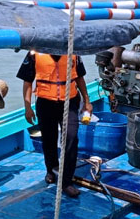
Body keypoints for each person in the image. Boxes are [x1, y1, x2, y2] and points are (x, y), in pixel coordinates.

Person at [17, 51, 93, 198]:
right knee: (49, 138)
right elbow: (27, 81)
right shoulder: (34, 53)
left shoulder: (74, 52)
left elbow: (79, 77)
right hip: (45, 102)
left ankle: (66, 182)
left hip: (70, 101)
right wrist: (27, 107)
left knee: (71, 138)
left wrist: (87, 101)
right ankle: (51, 169)